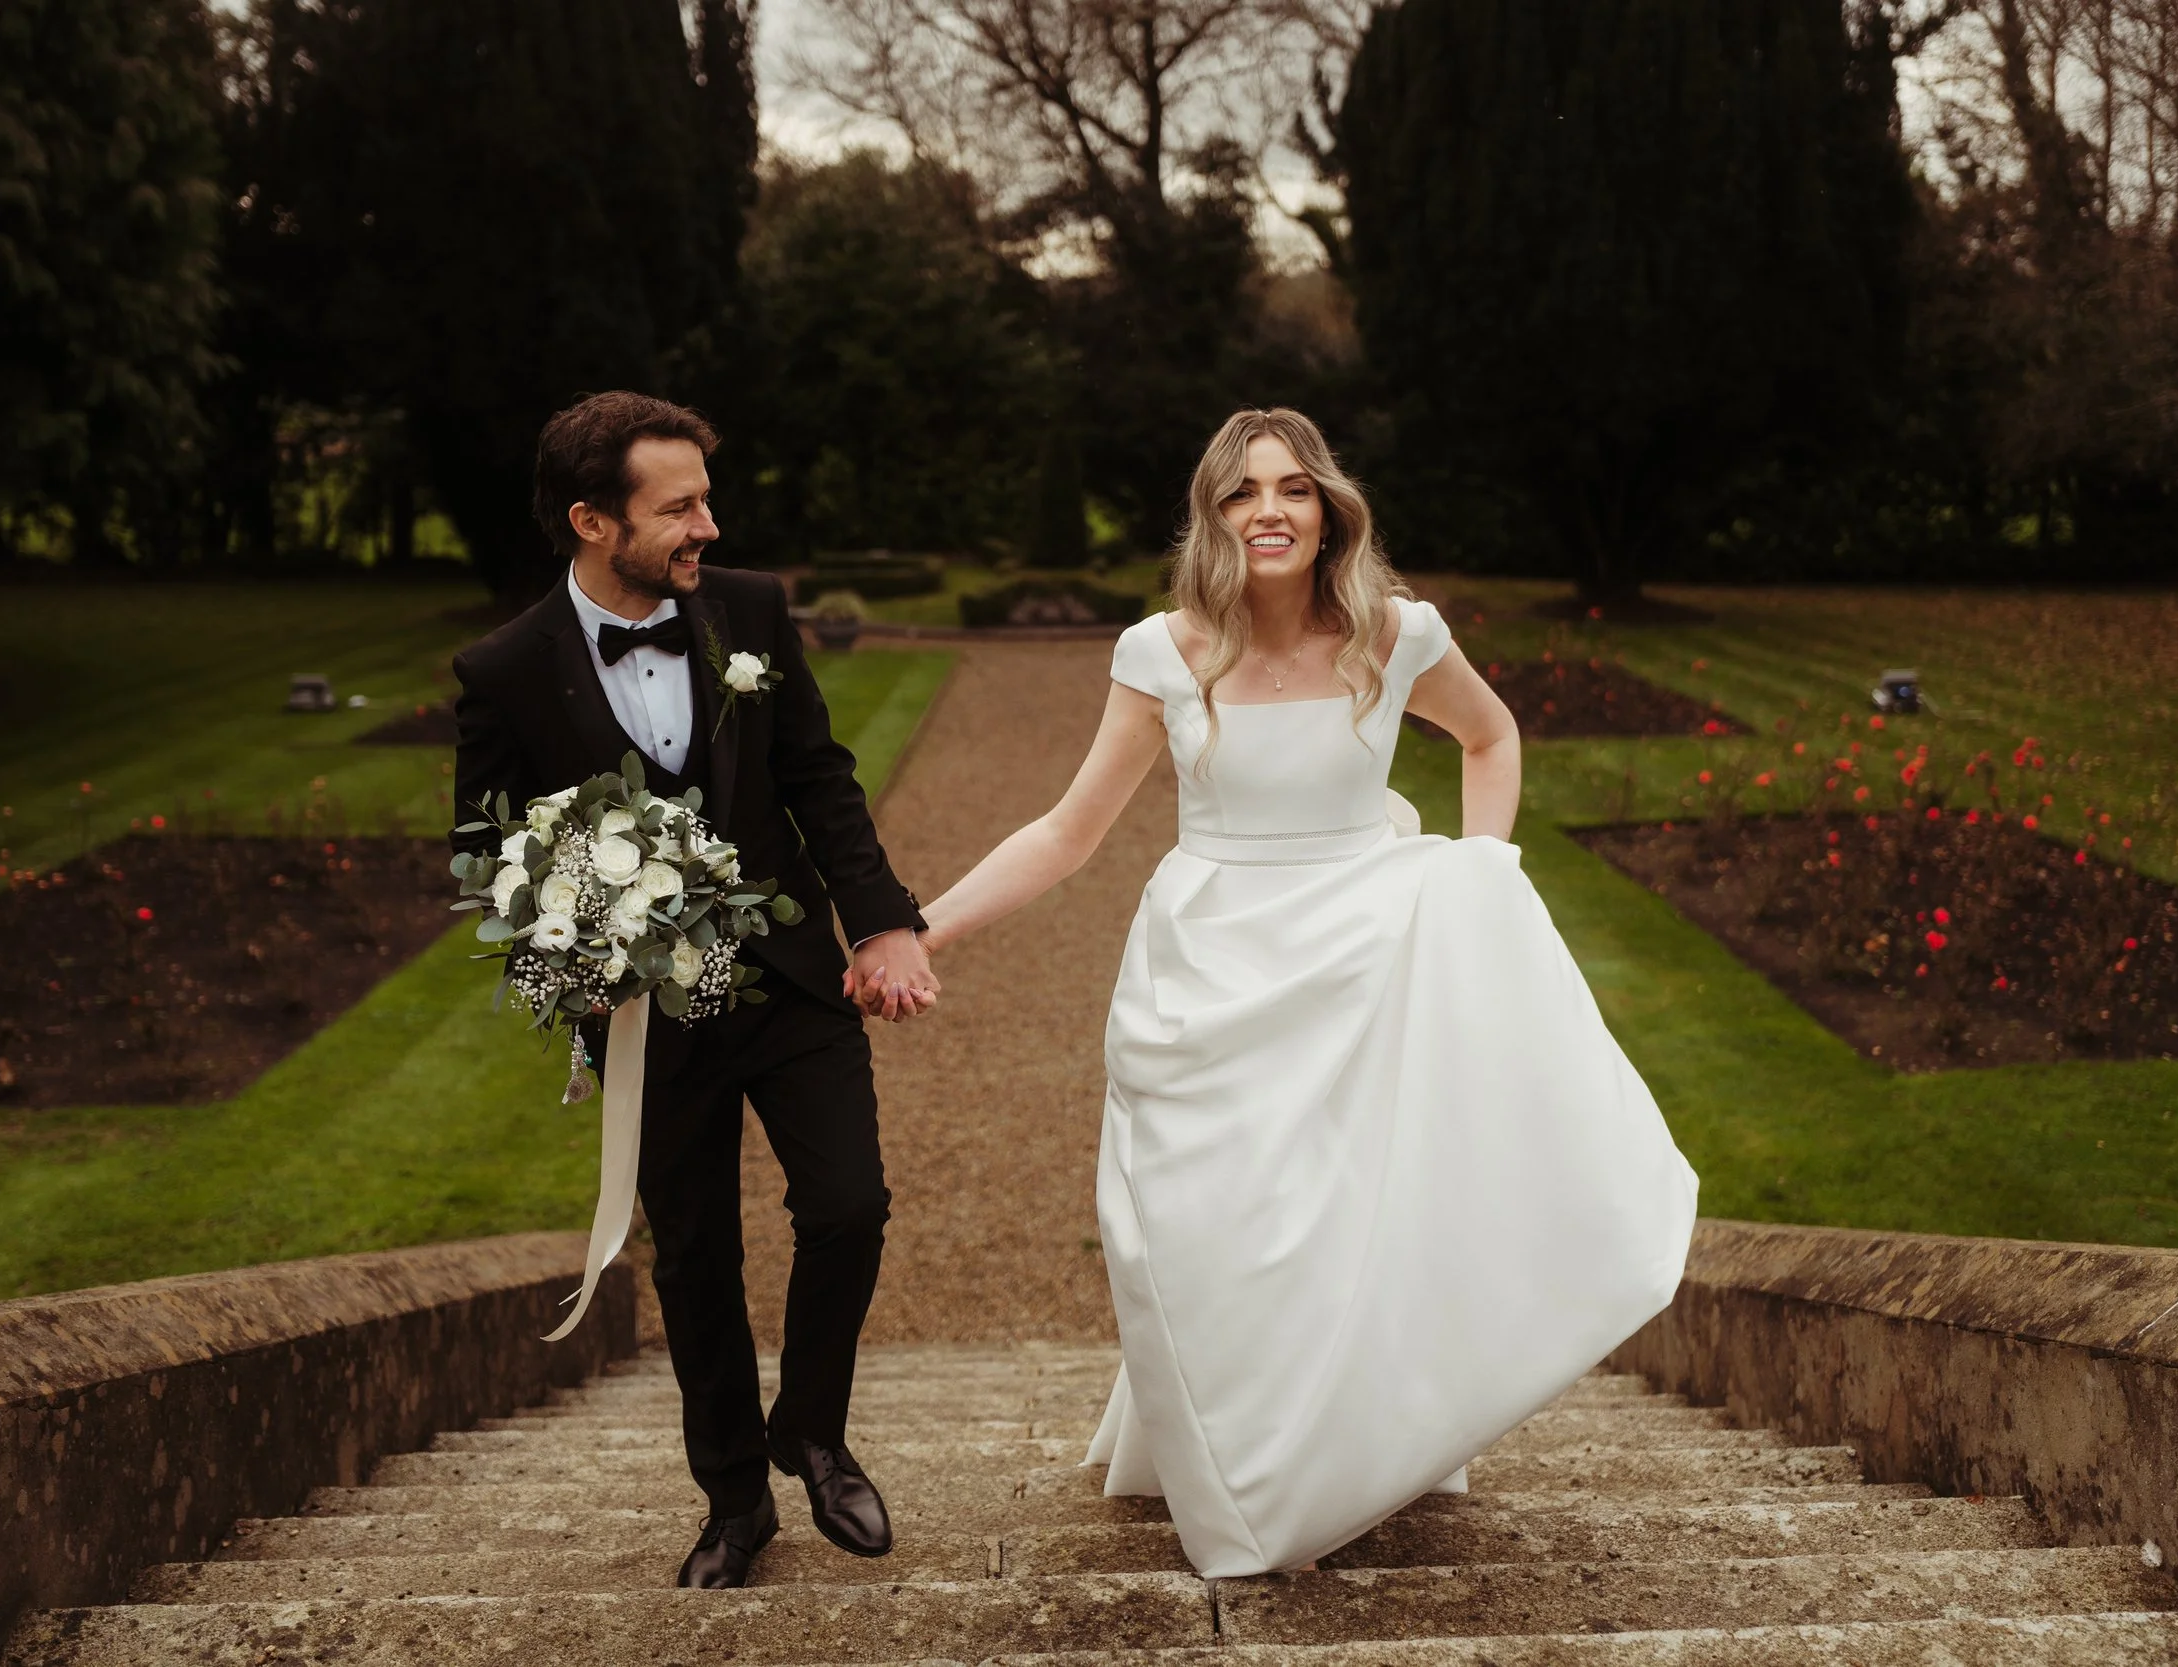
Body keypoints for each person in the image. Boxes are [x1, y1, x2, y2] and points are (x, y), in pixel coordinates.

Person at [902, 407, 1699, 1577]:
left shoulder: (1396, 631)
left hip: (1360, 951)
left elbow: (1491, 736)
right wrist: (917, 928)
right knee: (1197, 1224)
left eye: (1291, 489)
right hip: (1207, 963)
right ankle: (1234, 1452)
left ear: (1328, 508)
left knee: (1342, 1222)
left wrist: (1478, 870)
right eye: (1240, 492)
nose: (1267, 510)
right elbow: (1071, 830)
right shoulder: (1160, 650)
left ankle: (1324, 1471)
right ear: (1210, 517)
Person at [449, 391, 940, 1590]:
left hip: (787, 976)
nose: (707, 526)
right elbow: (484, 844)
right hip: (646, 1013)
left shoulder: (750, 610)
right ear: (590, 520)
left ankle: (811, 1428)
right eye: (678, 506)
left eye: (705, 499)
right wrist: (574, 937)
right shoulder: (506, 667)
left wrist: (881, 922)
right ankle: (734, 1502)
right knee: (694, 1261)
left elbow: (819, 776)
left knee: (848, 1205)